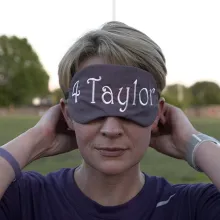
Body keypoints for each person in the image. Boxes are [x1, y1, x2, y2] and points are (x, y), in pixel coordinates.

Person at [0, 21, 220, 220]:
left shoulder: (191, 208)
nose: (111, 129)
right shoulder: (25, 201)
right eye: (93, 107)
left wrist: (195, 144)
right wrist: (37, 138)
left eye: (130, 106)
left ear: (157, 114)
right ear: (68, 115)